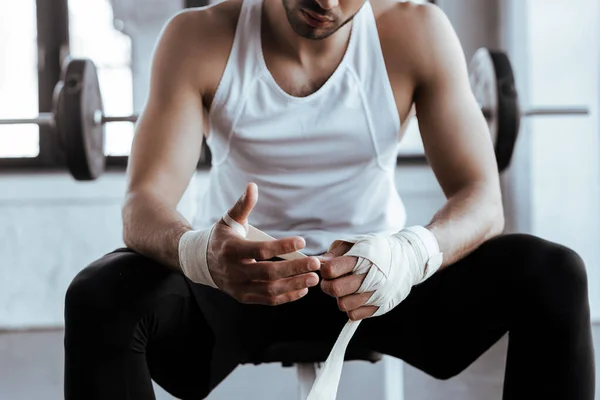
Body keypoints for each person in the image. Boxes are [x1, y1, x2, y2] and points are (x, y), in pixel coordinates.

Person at [63, 0, 595, 398]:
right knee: (99, 294)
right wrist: (203, 255)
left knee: (554, 274)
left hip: (379, 286)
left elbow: (482, 198)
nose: (327, 2)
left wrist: (411, 254)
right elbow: (142, 203)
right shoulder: (199, 37)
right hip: (236, 287)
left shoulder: (415, 32)